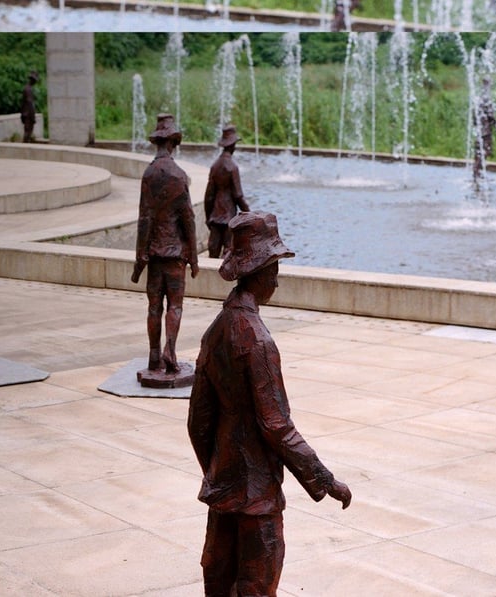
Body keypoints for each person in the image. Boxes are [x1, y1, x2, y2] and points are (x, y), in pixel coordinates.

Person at [188, 211, 352, 596]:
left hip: (224, 491)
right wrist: (325, 480)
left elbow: (198, 422)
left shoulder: (216, 331)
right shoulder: (258, 341)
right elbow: (277, 426)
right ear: (261, 273)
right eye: (274, 269)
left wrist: (218, 470)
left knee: (218, 580)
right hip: (257, 497)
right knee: (257, 584)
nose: (276, 280)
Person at [132, 114, 199, 379]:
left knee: (153, 307)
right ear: (173, 142)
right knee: (175, 305)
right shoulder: (179, 175)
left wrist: (140, 255)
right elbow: (188, 219)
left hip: (155, 256)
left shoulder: (148, 175)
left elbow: (144, 219)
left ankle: (154, 355)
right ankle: (170, 351)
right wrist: (194, 257)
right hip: (175, 256)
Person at [204, 125, 250, 258]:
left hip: (215, 216)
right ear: (233, 145)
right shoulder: (232, 167)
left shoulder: (215, 166)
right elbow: (238, 195)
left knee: (213, 249)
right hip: (229, 216)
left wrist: (208, 217)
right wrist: (249, 214)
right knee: (229, 250)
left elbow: (209, 196)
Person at [472, 77, 496, 188]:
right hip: (485, 130)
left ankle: (477, 172)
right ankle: (476, 172)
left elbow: (475, 115)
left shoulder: (479, 98)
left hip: (481, 129)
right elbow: (491, 115)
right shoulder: (486, 98)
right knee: (485, 151)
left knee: (481, 151)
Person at [21, 70, 39, 143]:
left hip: (26, 113)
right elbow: (30, 103)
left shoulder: (28, 88)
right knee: (28, 132)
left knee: (28, 132)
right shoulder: (28, 89)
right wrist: (33, 116)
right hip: (28, 114)